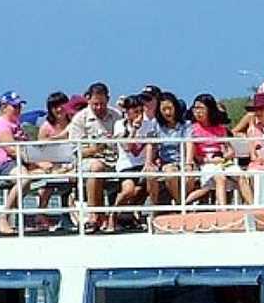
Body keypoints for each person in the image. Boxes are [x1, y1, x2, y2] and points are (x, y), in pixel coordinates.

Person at [0, 91, 48, 235]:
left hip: (19, 163)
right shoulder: (2, 125)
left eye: (19, 106)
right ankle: (4, 217)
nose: (19, 109)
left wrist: (41, 164)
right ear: (4, 108)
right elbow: (12, 150)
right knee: (24, 178)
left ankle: (40, 215)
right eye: (14, 106)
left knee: (50, 174)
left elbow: (25, 149)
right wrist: (38, 163)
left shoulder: (16, 124)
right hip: (4, 165)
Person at [67, 82, 122, 232]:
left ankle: (119, 215)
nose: (99, 107)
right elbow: (74, 151)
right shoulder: (80, 119)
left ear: (108, 100)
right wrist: (95, 149)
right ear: (88, 100)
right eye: (95, 104)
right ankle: (94, 215)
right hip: (87, 161)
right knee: (96, 167)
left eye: (102, 104)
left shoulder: (116, 116)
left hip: (114, 160)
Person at [183, 94, 241, 206]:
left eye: (201, 108)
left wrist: (223, 157)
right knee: (219, 178)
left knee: (242, 177)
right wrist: (210, 161)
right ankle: (223, 211)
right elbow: (195, 157)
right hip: (206, 164)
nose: (197, 112)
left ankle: (253, 207)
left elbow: (231, 151)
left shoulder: (221, 129)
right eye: (195, 108)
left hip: (223, 162)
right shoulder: (192, 130)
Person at [105, 95, 147, 232]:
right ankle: (113, 214)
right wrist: (134, 129)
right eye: (133, 111)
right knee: (128, 190)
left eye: (139, 111)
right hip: (126, 165)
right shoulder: (120, 125)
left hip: (143, 165)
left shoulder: (149, 125)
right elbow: (127, 147)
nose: (137, 115)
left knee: (143, 188)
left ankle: (136, 215)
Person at [143, 91, 188, 205]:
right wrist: (148, 162)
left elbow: (189, 144)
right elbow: (151, 144)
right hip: (166, 163)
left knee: (186, 175)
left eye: (170, 108)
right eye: (164, 109)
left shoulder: (186, 125)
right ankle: (156, 207)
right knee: (154, 174)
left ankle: (180, 205)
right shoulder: (156, 124)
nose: (167, 112)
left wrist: (188, 163)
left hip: (183, 161)